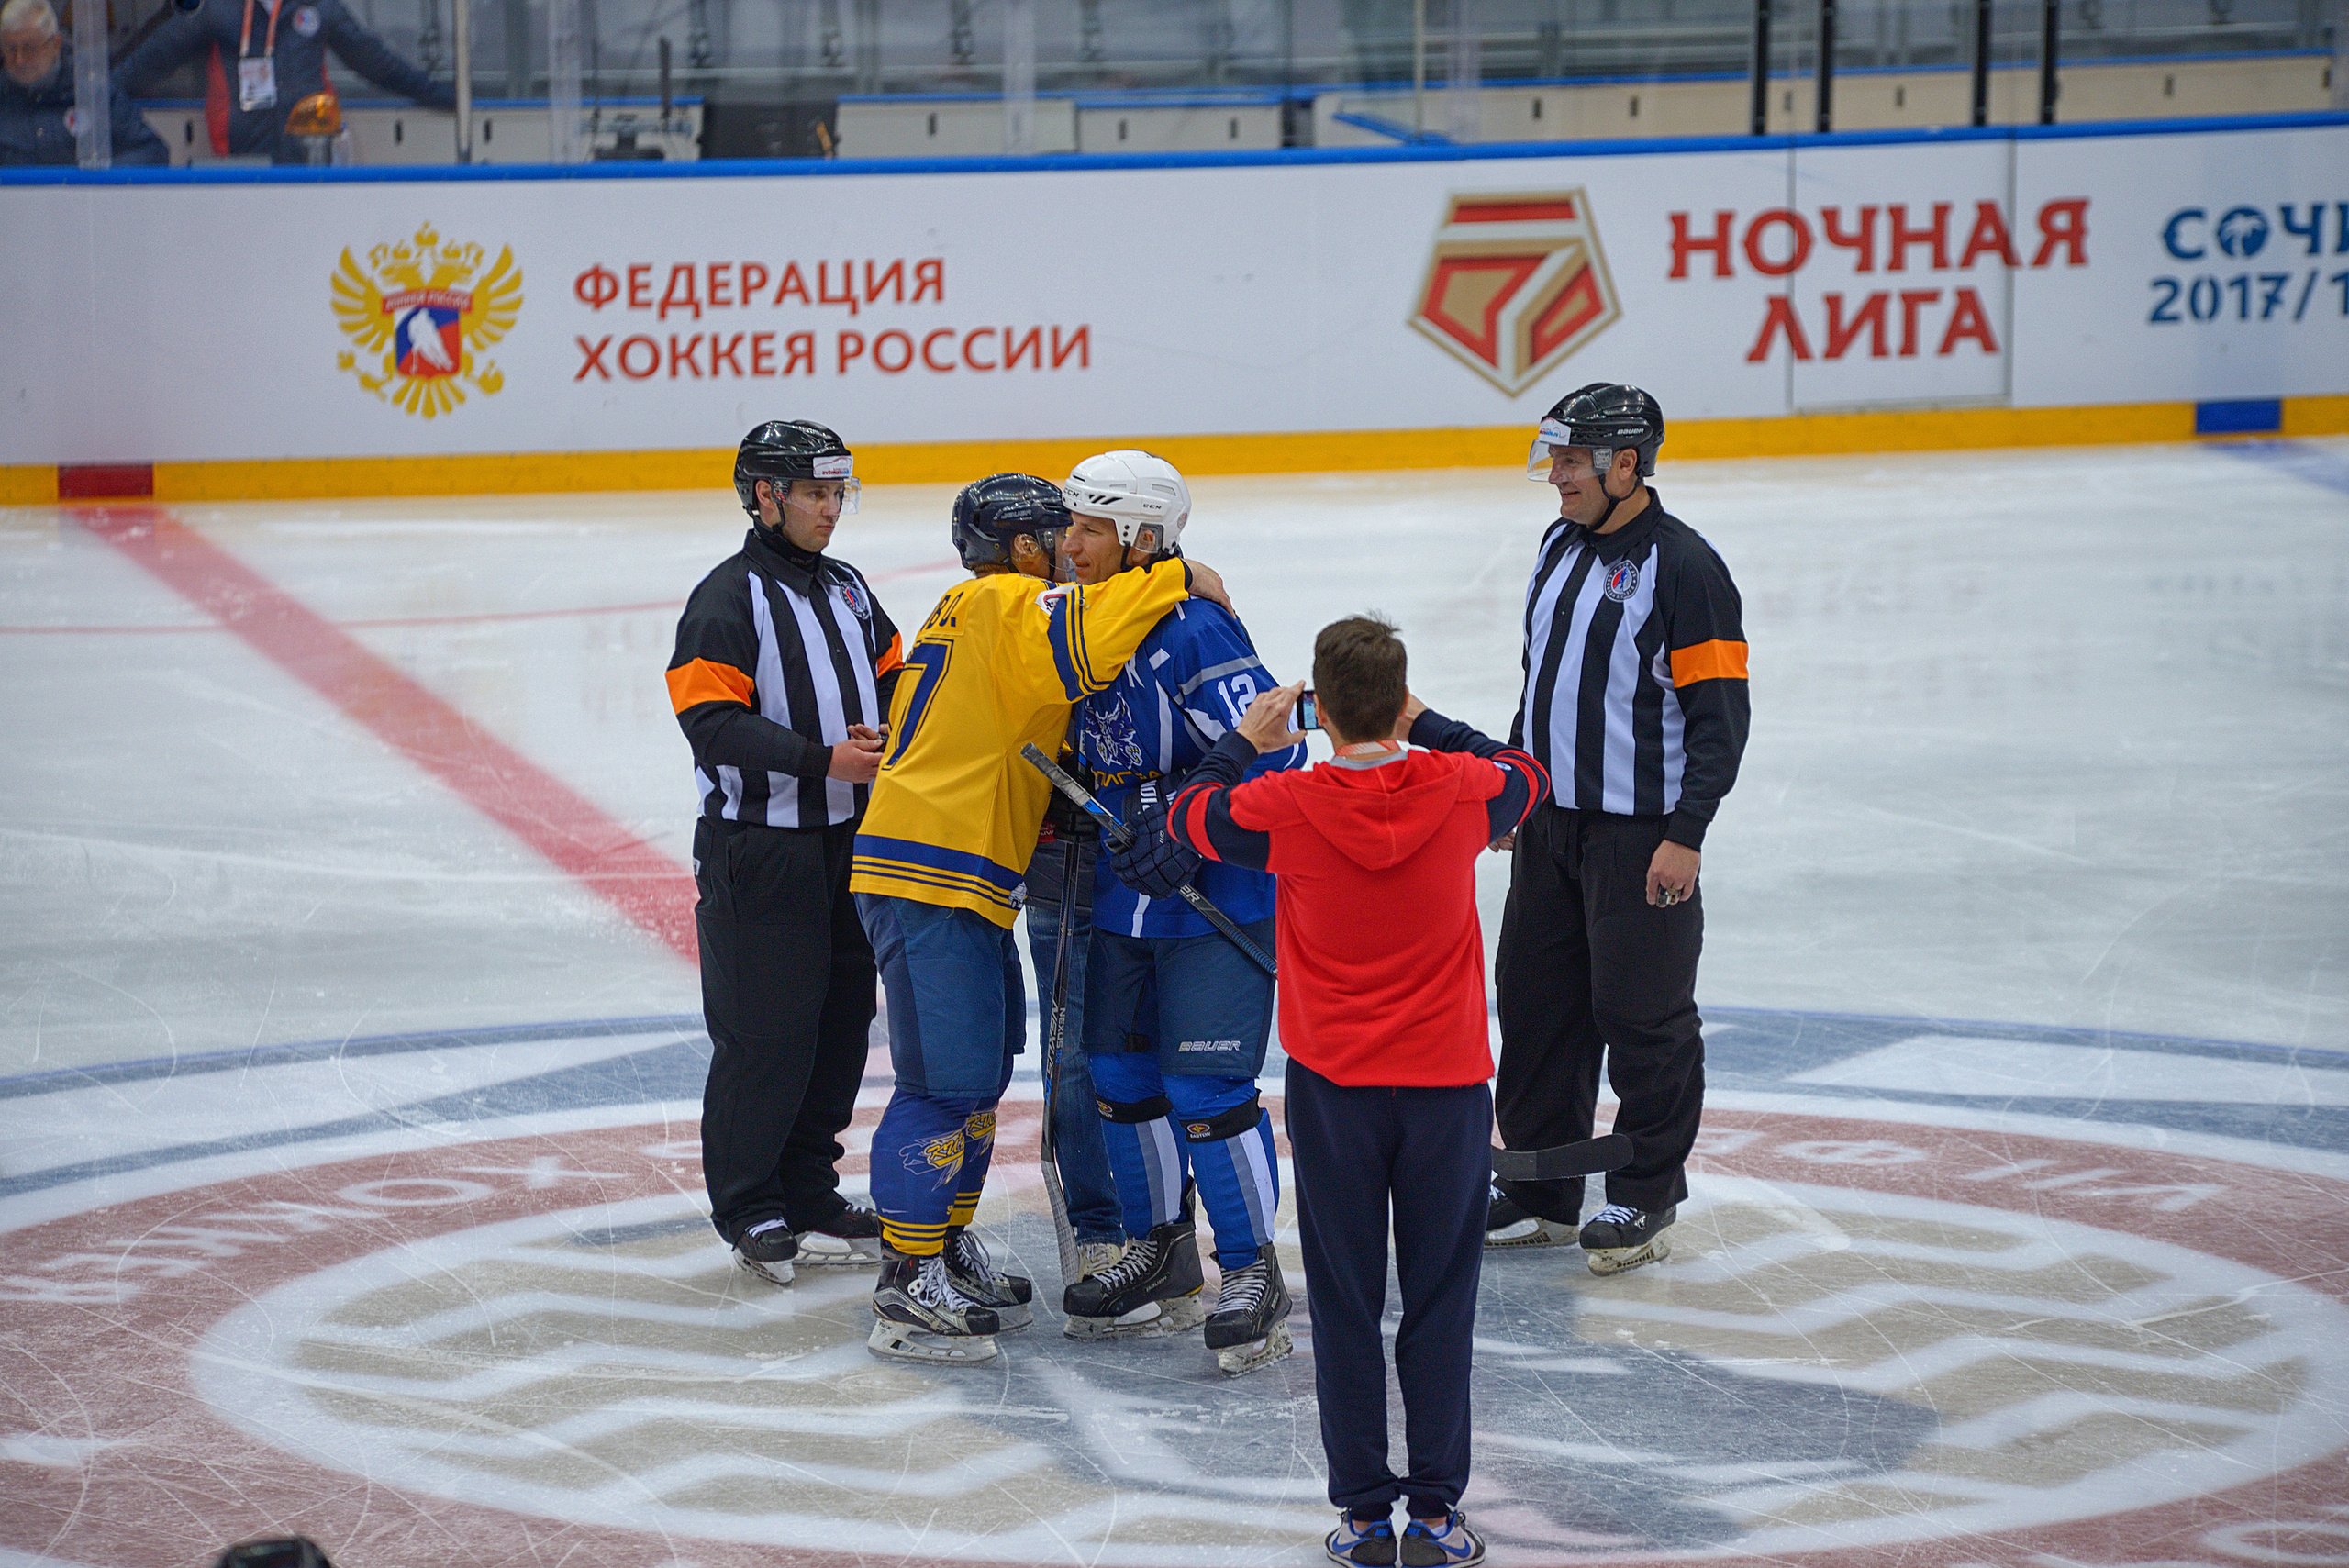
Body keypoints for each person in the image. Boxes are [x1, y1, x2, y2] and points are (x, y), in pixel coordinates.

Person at [1165, 615, 1546, 1568]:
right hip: (1447, 1087)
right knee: (1440, 1299)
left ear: (1320, 710)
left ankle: (1366, 1518)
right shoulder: (1462, 791)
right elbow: (1527, 773)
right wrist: (1434, 726)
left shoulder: (1283, 803)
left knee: (1342, 1301)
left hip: (1336, 1089)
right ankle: (1437, 1516)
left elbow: (1185, 816)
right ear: (1398, 699)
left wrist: (1242, 743)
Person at [849, 472, 1230, 1366]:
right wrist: (1177, 569)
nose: (1073, 546)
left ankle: (941, 1244)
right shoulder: (1005, 602)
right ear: (1024, 547)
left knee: (974, 1074)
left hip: (954, 874)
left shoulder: (972, 608)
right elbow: (1094, 644)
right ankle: (907, 1281)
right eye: (1063, 532)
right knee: (942, 1082)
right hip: (929, 873)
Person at [1485, 383, 1749, 1273]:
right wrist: (1516, 786)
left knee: (1643, 1019)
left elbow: (1720, 716)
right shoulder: (1557, 545)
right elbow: (1542, 679)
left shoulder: (1686, 568)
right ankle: (1539, 1189)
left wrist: (1689, 829)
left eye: (1569, 461)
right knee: (1537, 1007)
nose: (1554, 477)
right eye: (1553, 459)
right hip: (1551, 823)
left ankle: (1642, 1192)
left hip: (1642, 838)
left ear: (1624, 463)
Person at [1052, 450, 1305, 1374]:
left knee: (1206, 1091)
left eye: (1087, 528)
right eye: (1069, 523)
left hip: (1213, 898)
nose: (1066, 543)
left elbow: (1280, 749)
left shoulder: (1195, 631)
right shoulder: (1081, 619)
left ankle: (1248, 1267)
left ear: (1143, 539)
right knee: (1119, 1076)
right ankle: (1162, 1249)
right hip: (1125, 892)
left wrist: (1192, 828)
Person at [666, 421, 901, 1288]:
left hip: (850, 845)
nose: (831, 510)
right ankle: (749, 1201)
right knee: (765, 1032)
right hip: (760, 851)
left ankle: (807, 1188)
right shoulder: (726, 599)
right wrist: (821, 759)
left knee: (840, 1025)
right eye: (814, 493)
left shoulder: (845, 588)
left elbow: (897, 671)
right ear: (764, 496)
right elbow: (710, 722)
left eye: (839, 493)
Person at [114, 0, 451, 163]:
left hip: (313, 155)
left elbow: (375, 62)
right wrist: (97, 95)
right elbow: (153, 60)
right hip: (240, 162)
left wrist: (443, 96)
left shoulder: (319, 6)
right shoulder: (218, 8)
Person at [1021, 775, 1128, 1281]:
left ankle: (1159, 1229)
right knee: (1072, 1057)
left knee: (1156, 1060)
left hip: (1152, 877)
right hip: (1059, 870)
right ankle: (1099, 1231)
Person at [0, 0, 168, 165]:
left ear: (55, 44)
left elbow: (152, 152)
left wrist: (92, 180)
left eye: (29, 48)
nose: (19, 60)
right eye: (10, 48)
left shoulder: (90, 89)